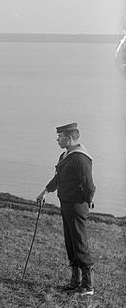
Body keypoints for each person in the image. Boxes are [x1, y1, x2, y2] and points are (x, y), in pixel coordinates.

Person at [37, 123, 96, 296]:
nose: (57, 139)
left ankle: (87, 286)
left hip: (77, 205)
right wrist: (45, 192)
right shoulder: (66, 155)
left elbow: (89, 184)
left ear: (69, 138)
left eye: (60, 136)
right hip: (67, 204)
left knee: (79, 243)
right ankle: (75, 282)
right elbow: (58, 177)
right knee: (71, 243)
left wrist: (89, 200)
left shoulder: (80, 157)